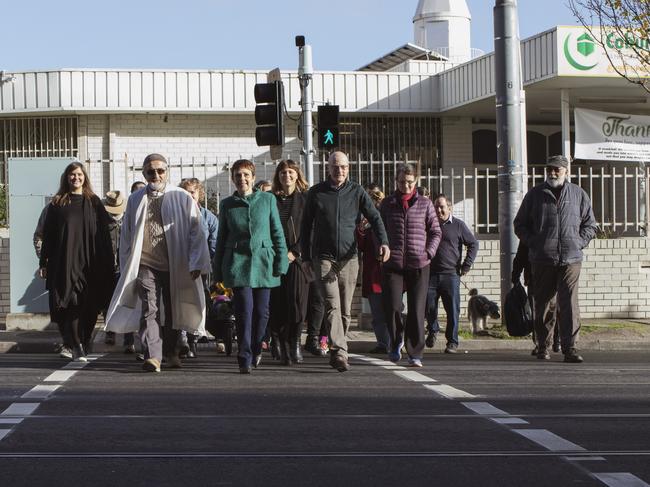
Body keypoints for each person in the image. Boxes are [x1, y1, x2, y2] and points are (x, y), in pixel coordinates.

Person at [105, 153, 211, 373]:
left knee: (173, 309)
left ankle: (172, 352)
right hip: (145, 263)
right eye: (151, 171)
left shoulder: (181, 196)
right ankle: (153, 355)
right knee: (149, 309)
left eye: (160, 170)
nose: (156, 175)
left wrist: (196, 262)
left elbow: (196, 231)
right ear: (144, 173)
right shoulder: (136, 199)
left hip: (175, 263)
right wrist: (126, 265)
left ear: (167, 172)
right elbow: (127, 235)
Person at [302, 151, 390, 372]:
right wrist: (305, 257)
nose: (338, 171)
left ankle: (335, 349)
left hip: (349, 258)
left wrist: (384, 242)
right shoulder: (316, 193)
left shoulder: (357, 191)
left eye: (342, 167)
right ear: (328, 168)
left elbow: (375, 217)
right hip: (323, 258)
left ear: (348, 168)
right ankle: (341, 351)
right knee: (332, 304)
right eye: (334, 166)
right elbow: (305, 226)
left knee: (345, 310)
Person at [514, 155, 597, 363]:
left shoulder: (578, 194)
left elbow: (590, 224)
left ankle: (570, 348)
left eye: (557, 170)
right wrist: (534, 242)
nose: (552, 173)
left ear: (566, 171)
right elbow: (520, 224)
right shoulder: (535, 195)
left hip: (571, 258)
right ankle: (543, 346)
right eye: (549, 169)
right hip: (542, 259)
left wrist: (579, 242)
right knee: (544, 304)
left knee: (568, 303)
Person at [213, 159, 288, 374]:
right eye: (238, 175)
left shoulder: (267, 200)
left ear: (253, 178)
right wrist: (218, 270)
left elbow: (277, 232)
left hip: (264, 262)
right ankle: (243, 355)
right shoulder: (227, 204)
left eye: (246, 175)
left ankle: (256, 347)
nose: (242, 179)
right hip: (239, 263)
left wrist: (281, 261)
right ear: (233, 179)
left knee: (262, 312)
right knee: (244, 310)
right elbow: (221, 238)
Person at [39, 162, 114, 361]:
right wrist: (43, 262)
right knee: (71, 304)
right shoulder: (58, 203)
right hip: (65, 262)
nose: (76, 178)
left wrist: (109, 261)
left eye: (79, 174)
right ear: (66, 178)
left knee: (90, 306)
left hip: (91, 262)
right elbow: (49, 235)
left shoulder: (94, 202)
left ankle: (86, 338)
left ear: (84, 177)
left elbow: (105, 234)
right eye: (72, 175)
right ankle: (76, 345)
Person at [381, 164, 441, 366]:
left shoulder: (425, 203)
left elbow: (435, 231)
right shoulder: (387, 203)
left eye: (410, 182)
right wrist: (381, 248)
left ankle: (415, 352)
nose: (405, 185)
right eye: (401, 182)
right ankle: (396, 341)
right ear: (395, 182)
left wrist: (429, 252)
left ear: (416, 182)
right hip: (393, 262)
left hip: (419, 262)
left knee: (417, 309)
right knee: (393, 306)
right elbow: (378, 230)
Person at [268, 160, 312, 365]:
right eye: (283, 172)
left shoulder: (305, 199)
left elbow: (311, 230)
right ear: (278, 176)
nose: (287, 175)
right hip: (275, 258)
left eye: (291, 172)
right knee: (277, 304)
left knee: (297, 304)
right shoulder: (270, 199)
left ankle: (294, 341)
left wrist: (295, 252)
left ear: (297, 175)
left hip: (297, 259)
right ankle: (278, 340)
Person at [426, 194, 478, 354]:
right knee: (429, 307)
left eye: (442, 206)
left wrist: (466, 265)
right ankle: (433, 329)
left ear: (449, 208)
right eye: (436, 207)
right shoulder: (429, 225)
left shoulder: (458, 225)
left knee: (452, 310)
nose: (438, 210)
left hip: (451, 275)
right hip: (430, 275)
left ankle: (452, 342)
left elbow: (473, 244)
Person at [179, 177, 219, 358]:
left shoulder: (208, 217)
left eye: (192, 192)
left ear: (199, 195)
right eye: (185, 193)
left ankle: (193, 337)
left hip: (199, 269)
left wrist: (204, 261)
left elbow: (214, 242)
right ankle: (181, 340)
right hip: (179, 266)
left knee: (197, 302)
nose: (189, 196)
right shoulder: (177, 216)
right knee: (179, 302)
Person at [101, 190, 137, 354]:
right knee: (108, 301)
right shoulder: (101, 222)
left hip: (125, 266)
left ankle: (129, 340)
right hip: (107, 266)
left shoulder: (129, 220)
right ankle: (110, 331)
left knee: (126, 302)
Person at [356, 184, 390, 354]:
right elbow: (361, 246)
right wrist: (361, 230)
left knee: (393, 309)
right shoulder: (365, 223)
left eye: (376, 201)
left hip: (390, 272)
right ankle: (383, 343)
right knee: (377, 312)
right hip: (373, 272)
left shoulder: (388, 221)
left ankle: (394, 340)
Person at [511, 241, 559, 355]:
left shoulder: (530, 230)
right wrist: (516, 275)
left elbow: (520, 256)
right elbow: (521, 255)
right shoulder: (531, 231)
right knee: (547, 310)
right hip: (538, 276)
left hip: (538, 276)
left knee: (542, 311)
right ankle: (546, 342)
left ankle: (545, 342)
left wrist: (515, 275)